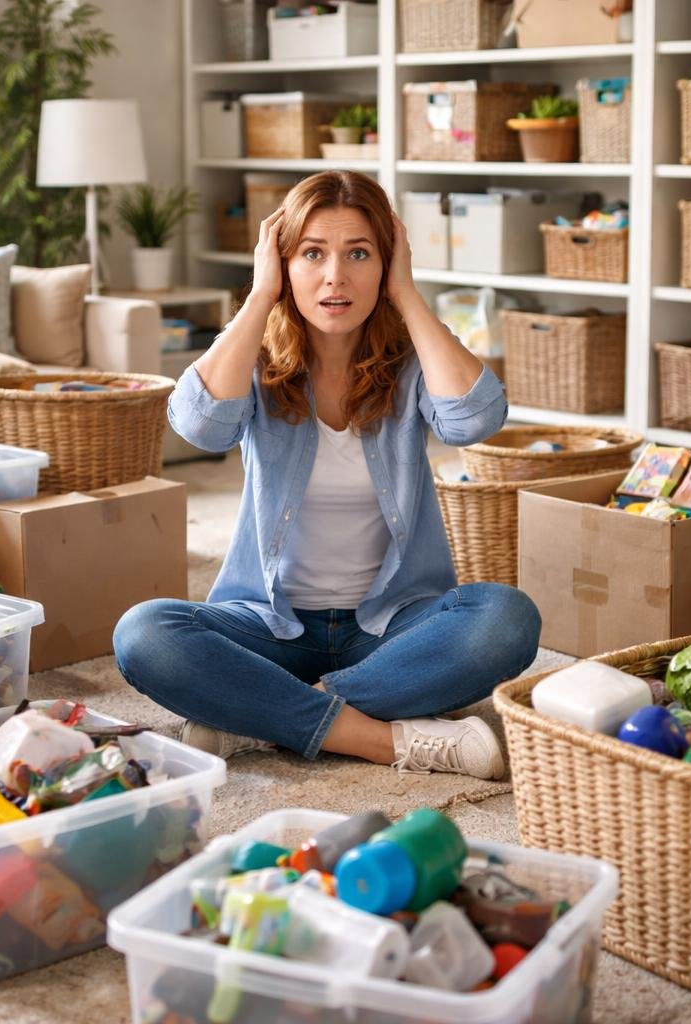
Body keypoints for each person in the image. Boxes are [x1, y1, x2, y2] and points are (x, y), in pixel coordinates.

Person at [112, 170, 541, 780]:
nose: (335, 276)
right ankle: (382, 738)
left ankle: (261, 713)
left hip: (392, 627)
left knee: (506, 620)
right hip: (268, 626)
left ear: (384, 266)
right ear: (284, 263)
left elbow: (477, 419)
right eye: (312, 253)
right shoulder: (256, 361)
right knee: (145, 633)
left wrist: (408, 295)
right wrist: (260, 297)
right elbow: (198, 427)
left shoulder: (413, 363)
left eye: (359, 254)